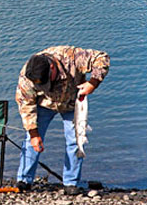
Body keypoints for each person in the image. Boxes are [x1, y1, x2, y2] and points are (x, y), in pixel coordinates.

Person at [15, 46, 110, 195]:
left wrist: (93, 83)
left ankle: (71, 183)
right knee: (31, 140)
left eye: (46, 81)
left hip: (73, 104)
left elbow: (102, 58)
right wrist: (34, 134)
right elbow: (26, 105)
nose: (45, 85)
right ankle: (24, 181)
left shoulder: (72, 58)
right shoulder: (28, 76)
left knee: (75, 141)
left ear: (52, 67)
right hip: (44, 104)